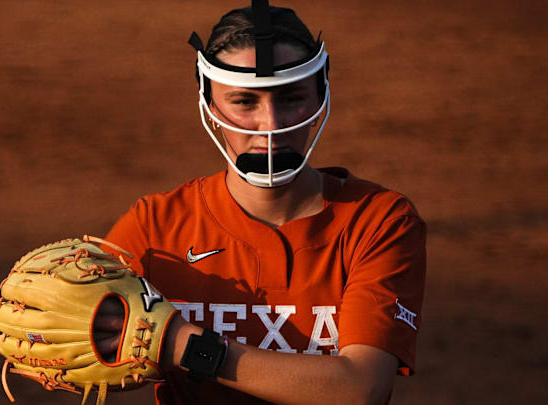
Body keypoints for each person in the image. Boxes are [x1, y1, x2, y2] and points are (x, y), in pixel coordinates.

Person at [96, 1, 426, 404]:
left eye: (290, 99)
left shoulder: (379, 221)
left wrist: (179, 343)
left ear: (321, 94)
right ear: (210, 106)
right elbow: (76, 335)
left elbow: (359, 389)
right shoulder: (155, 228)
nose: (271, 125)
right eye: (244, 102)